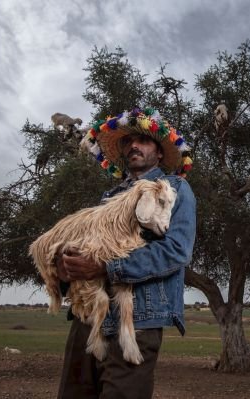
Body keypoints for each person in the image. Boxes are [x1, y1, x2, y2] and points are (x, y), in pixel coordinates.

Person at [55, 108, 196, 398]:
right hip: (87, 319)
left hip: (136, 323)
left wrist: (105, 267)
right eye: (128, 141)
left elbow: (175, 251)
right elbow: (89, 250)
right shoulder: (109, 198)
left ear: (159, 152)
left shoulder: (175, 189)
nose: (134, 145)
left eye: (143, 140)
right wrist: (65, 269)